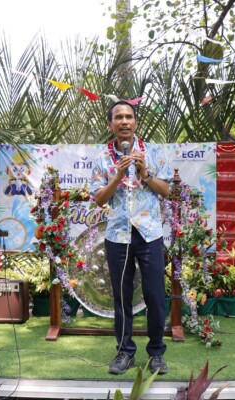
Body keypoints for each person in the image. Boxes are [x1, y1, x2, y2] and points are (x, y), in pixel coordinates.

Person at [90, 100, 173, 375]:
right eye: (118, 117)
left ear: (136, 122)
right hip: (118, 236)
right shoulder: (102, 158)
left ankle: (156, 353)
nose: (124, 121)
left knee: (155, 295)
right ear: (110, 124)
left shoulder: (155, 152)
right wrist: (118, 175)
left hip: (149, 234)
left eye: (129, 117)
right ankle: (125, 352)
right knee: (122, 297)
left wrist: (145, 174)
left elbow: (166, 191)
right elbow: (99, 199)